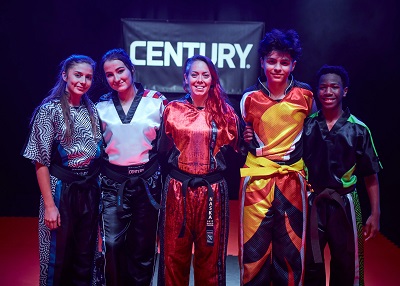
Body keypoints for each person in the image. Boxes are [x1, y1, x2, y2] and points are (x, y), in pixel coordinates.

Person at [157, 54, 246, 286]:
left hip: (213, 192)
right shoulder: (172, 110)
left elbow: (240, 150)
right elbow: (162, 149)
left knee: (211, 262)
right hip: (178, 190)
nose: (199, 79)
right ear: (185, 80)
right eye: (194, 75)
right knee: (173, 258)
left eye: (205, 75)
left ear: (212, 79)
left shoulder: (226, 113)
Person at [239, 28, 316, 285]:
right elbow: (243, 140)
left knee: (291, 251)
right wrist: (246, 139)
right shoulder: (249, 98)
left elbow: (314, 137)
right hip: (257, 183)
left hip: (292, 182)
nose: (277, 67)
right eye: (271, 61)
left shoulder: (306, 96)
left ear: (293, 64)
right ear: (262, 62)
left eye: (284, 62)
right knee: (253, 251)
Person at [21, 54, 103, 286]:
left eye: (88, 77)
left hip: (89, 191)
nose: (83, 81)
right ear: (65, 76)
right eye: (78, 75)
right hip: (60, 192)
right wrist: (49, 206)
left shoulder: (93, 110)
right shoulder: (49, 111)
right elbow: (40, 161)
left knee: (85, 257)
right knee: (57, 259)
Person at [303, 65, 382, 286]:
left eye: (334, 87)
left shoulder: (359, 129)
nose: (328, 92)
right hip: (313, 203)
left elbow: (371, 175)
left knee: (346, 264)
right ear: (317, 92)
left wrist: (375, 214)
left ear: (344, 91)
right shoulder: (307, 126)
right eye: (323, 87)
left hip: (345, 204)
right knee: (311, 262)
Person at [95, 48, 168, 285]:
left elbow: (171, 140)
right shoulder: (100, 107)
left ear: (131, 69)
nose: (116, 78)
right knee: (113, 244)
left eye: (120, 71)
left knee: (143, 245)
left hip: (147, 183)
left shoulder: (156, 101)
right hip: (112, 184)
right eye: (109, 75)